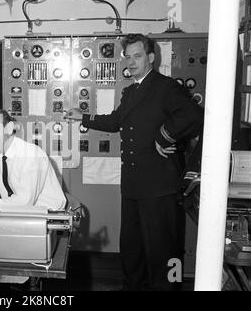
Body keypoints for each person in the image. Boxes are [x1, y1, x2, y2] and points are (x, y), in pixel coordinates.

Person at [65, 33, 203, 291]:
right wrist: (82, 117)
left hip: (160, 186)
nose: (131, 61)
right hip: (133, 186)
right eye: (127, 57)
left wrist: (164, 137)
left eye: (137, 56)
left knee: (165, 250)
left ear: (151, 57)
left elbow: (193, 115)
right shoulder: (131, 91)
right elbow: (116, 121)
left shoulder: (166, 87)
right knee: (132, 248)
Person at [0, 110, 66, 212]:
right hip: (20, 217)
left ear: (9, 128)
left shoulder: (31, 154)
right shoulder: (0, 156)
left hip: (47, 218)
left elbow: (24, 202)